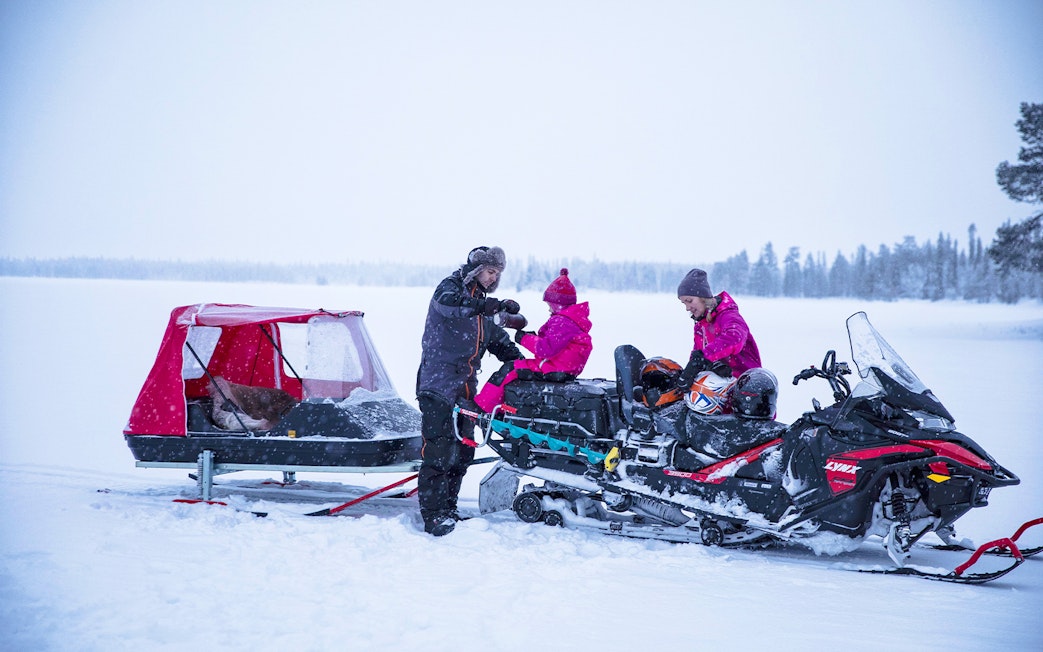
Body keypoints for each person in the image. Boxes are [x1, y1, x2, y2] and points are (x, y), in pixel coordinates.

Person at [415, 246, 523, 536]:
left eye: (497, 274)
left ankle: (449, 508)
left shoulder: (480, 305)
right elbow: (451, 304)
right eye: (490, 271)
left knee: (462, 453)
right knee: (438, 452)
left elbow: (495, 337)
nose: (492, 278)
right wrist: (486, 306)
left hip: (465, 390)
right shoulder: (451, 289)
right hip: (438, 385)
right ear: (477, 269)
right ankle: (433, 515)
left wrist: (521, 361)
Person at [473, 268, 593, 413]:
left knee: (509, 369)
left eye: (550, 304)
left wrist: (523, 338)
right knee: (519, 372)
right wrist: (535, 337)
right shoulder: (573, 320)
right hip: (565, 369)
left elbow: (545, 349)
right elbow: (555, 345)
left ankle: (481, 409)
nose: (548, 309)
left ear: (557, 303)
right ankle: (504, 410)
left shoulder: (562, 321)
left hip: (555, 368)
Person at [675, 268, 762, 391]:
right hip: (719, 391)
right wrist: (690, 373)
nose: (687, 308)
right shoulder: (701, 324)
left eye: (689, 301)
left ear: (703, 297)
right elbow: (697, 356)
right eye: (684, 303)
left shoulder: (728, 316)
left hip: (746, 390)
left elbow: (735, 337)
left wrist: (704, 357)